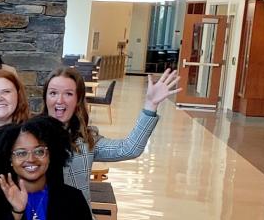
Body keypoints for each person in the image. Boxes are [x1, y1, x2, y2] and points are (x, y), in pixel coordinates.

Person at [46, 66, 180, 202]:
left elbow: (129, 148)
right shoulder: (31, 136)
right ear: (45, 97)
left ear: (78, 101)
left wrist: (150, 105)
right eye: (53, 93)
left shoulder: (86, 141)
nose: (59, 100)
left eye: (68, 94)